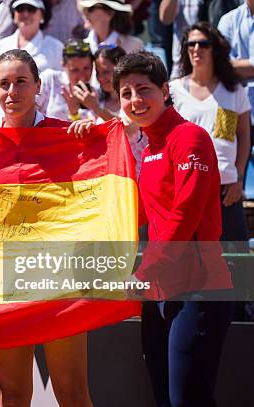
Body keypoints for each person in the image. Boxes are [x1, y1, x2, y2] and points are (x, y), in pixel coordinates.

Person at [114, 50, 233, 407]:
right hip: (161, 290)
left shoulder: (190, 138)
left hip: (200, 288)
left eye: (144, 89)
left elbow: (186, 215)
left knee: (187, 400)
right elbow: (136, 216)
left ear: (165, 90)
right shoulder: (150, 146)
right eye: (126, 93)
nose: (136, 100)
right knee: (164, 398)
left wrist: (145, 272)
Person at [0, 48, 94, 407]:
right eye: (3, 84)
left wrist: (94, 135)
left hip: (60, 275)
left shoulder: (67, 137)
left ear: (38, 86)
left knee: (71, 391)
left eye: (21, 82)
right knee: (14, 393)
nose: (12, 92)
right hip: (5, 276)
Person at [170, 22, 250, 242]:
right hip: (187, 186)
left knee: (236, 260)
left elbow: (243, 135)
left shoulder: (234, 89)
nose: (197, 49)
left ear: (214, 48)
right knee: (189, 260)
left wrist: (239, 177)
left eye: (203, 43)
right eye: (191, 44)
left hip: (226, 189)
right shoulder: (173, 90)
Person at [0, 0, 63, 125]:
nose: (25, 14)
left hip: (39, 124)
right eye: (20, 9)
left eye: (31, 9)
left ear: (42, 15)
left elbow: (59, 89)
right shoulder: (0, 46)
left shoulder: (56, 47)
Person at [74, 44, 146, 173]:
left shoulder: (136, 98)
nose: (101, 78)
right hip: (108, 176)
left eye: (106, 72)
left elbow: (128, 128)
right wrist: (74, 113)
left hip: (136, 175)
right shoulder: (97, 99)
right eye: (98, 73)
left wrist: (96, 108)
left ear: (120, 69)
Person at [218, 0, 254, 152]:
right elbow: (219, 63)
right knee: (224, 159)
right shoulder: (228, 19)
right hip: (228, 105)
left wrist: (236, 66)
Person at [37, 39, 95, 122]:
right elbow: (29, 110)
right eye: (75, 70)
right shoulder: (49, 79)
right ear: (63, 66)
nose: (82, 76)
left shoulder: (96, 93)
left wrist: (75, 114)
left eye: (86, 68)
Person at [0, 0, 83, 47]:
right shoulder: (20, 4)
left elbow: (87, 35)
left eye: (31, 10)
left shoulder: (76, 4)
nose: (26, 12)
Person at [78, 0, 144, 54]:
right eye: (85, 9)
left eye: (91, 9)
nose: (85, 13)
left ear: (110, 14)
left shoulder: (134, 46)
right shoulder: (81, 47)